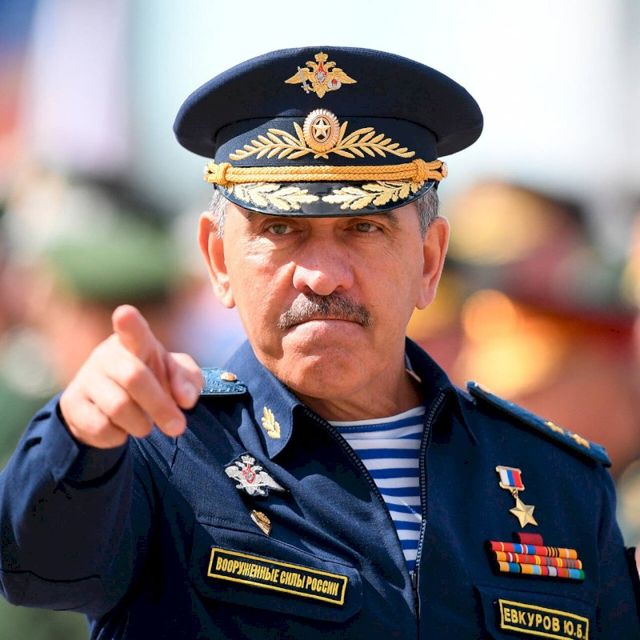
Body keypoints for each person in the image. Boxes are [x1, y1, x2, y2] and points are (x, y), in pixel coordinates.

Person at [0, 46, 638, 639]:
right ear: (219, 261)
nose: (323, 275)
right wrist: (76, 436)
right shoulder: (155, 450)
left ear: (429, 261)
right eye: (281, 229)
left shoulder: (556, 481)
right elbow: (38, 567)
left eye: (365, 228)